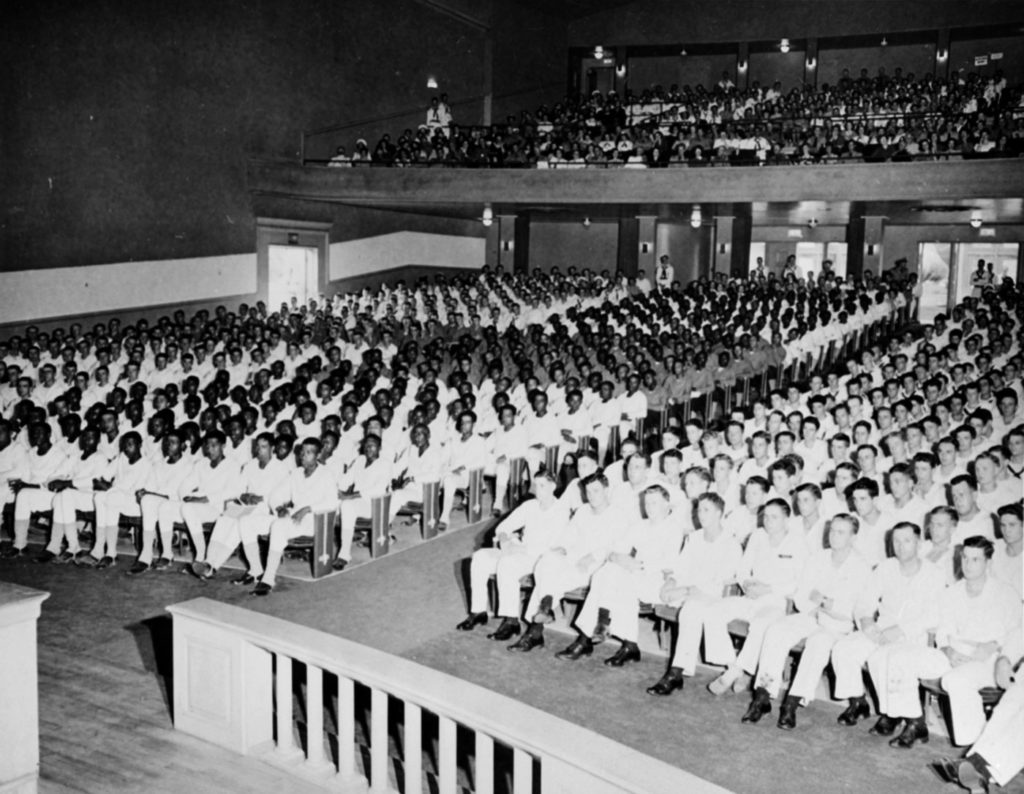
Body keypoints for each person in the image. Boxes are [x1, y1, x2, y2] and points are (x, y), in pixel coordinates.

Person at [867, 536, 1020, 749]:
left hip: (987, 660)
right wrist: (947, 650)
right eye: (964, 558)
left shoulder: (1005, 593)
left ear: (988, 563)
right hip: (952, 653)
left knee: (956, 681)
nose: (967, 564)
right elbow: (943, 629)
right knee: (900, 657)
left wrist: (994, 645)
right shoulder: (953, 592)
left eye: (975, 559)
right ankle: (915, 722)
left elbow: (1018, 632)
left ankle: (977, 749)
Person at [740, 512, 873, 729]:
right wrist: (820, 603)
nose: (834, 536)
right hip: (812, 616)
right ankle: (762, 696)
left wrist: (828, 603)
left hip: (838, 627)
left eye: (841, 532)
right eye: (832, 530)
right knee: (776, 630)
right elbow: (803, 596)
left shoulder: (861, 567)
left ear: (853, 537)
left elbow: (855, 609)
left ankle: (790, 704)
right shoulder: (818, 557)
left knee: (817, 644)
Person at [830, 521, 946, 727]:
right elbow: (865, 602)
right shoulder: (885, 567)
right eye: (897, 541)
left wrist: (901, 630)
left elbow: (935, 614)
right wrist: (866, 622)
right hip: (881, 630)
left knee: (880, 659)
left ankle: (892, 714)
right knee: (844, 648)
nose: (901, 546)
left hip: (912, 636)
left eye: (907, 540)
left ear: (918, 543)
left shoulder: (934, 573)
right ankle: (858, 702)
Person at [557, 484, 684, 665]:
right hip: (633, 574)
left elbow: (670, 562)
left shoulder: (673, 528)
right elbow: (616, 549)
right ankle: (611, 633)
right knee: (605, 573)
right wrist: (618, 557)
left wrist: (638, 565)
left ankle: (594, 636)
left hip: (657, 579)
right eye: (647, 503)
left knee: (616, 580)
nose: (649, 507)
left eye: (654, 503)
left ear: (667, 504)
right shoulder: (640, 525)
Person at [508, 471, 622, 653]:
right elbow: (569, 534)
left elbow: (617, 545)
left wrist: (592, 557)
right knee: (547, 560)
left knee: (550, 582)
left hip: (597, 564)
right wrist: (562, 547)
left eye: (596, 491)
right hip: (574, 559)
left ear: (606, 490)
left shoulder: (617, 514)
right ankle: (544, 610)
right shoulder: (583, 511)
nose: (591, 496)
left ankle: (536, 630)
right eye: (588, 492)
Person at [642, 492, 742, 693]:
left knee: (691, 609)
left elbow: (718, 585)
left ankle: (676, 673)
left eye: (706, 510)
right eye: (699, 509)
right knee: (691, 608)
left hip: (717, 597)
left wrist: (684, 590)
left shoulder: (730, 543)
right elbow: (680, 568)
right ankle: (684, 671)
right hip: (690, 594)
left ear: (719, 513)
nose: (701, 514)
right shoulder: (694, 538)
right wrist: (670, 583)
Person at [456, 472, 568, 639]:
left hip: (539, 559)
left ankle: (511, 621)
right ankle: (478, 611)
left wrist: (519, 548)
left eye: (542, 486)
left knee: (507, 564)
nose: (538, 490)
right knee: (480, 557)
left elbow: (553, 546)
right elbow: (503, 527)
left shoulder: (561, 511)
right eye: (535, 485)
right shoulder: (530, 505)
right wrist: (505, 539)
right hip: (519, 551)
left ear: (553, 487)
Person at [250, 437, 337, 596]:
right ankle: (255, 570)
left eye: (309, 452)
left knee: (277, 527)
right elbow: (276, 495)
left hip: (313, 520)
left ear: (318, 455)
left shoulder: (326, 474)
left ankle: (268, 578)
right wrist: (279, 507)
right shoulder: (296, 473)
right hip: (293, 517)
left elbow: (333, 502)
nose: (303, 456)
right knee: (251, 522)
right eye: (302, 452)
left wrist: (307, 509)